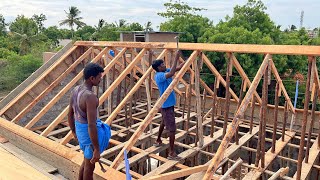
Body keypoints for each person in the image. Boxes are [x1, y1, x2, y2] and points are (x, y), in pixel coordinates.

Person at [68, 63, 111, 180]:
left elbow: (70, 114)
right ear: (92, 78)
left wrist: (73, 131)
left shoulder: (76, 90)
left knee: (86, 161)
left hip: (80, 131)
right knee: (89, 168)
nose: (100, 79)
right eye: (99, 77)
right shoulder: (90, 97)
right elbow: (91, 125)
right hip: (88, 135)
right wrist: (97, 149)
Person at [151, 50, 184, 160]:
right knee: (172, 129)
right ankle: (171, 153)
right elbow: (171, 73)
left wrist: (184, 61)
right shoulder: (159, 76)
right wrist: (175, 58)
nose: (165, 65)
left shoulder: (164, 71)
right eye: (162, 65)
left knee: (164, 122)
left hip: (167, 104)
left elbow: (176, 68)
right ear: (158, 68)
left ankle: (158, 140)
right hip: (166, 105)